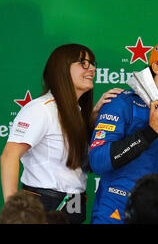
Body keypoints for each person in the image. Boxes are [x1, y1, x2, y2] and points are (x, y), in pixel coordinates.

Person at [1, 44, 122, 224]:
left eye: (93, 64)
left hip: (74, 203)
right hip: (44, 205)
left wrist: (93, 118)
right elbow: (9, 156)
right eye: (83, 63)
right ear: (62, 69)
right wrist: (13, 212)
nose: (92, 69)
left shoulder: (77, 112)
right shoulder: (41, 109)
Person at [89, 38, 158, 224]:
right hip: (115, 213)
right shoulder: (122, 103)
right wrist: (150, 132)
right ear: (157, 67)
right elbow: (98, 160)